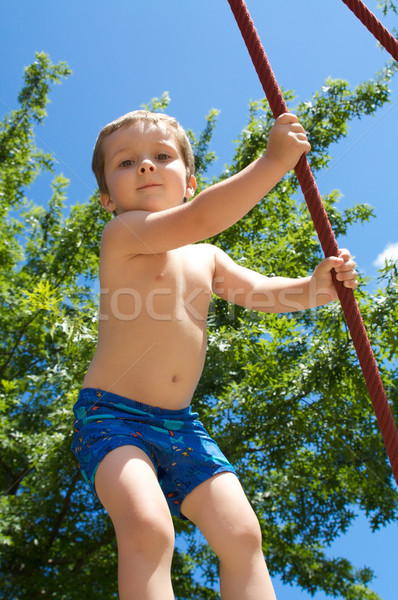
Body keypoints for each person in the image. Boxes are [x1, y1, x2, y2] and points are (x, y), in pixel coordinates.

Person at [72, 109, 358, 600]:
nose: (145, 166)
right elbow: (204, 216)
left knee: (243, 535)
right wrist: (272, 162)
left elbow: (262, 293)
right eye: (126, 163)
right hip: (110, 416)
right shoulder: (123, 235)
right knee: (147, 526)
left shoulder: (206, 256)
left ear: (189, 180)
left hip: (182, 425)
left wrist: (313, 289)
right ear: (106, 200)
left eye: (161, 157)